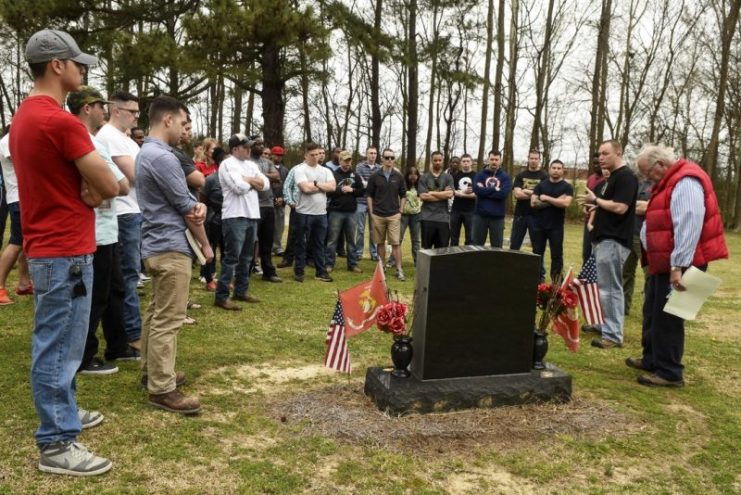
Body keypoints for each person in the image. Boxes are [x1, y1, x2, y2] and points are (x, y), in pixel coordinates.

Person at [11, 28, 120, 476]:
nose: (83, 70)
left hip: (50, 247)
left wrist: (91, 187)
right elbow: (112, 184)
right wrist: (96, 190)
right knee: (58, 347)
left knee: (63, 345)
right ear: (57, 65)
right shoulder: (59, 121)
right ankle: (56, 442)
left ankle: (66, 413)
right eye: (78, 63)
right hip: (64, 251)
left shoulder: (26, 115)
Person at [137, 96, 213, 413]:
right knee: (169, 319)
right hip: (170, 248)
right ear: (167, 120)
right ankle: (162, 388)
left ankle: (152, 373)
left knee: (156, 313)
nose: (185, 129)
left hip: (156, 245)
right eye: (183, 122)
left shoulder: (146, 153)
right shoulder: (163, 158)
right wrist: (206, 245)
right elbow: (188, 208)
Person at [628, 144, 728, 387]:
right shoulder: (670, 180)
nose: (646, 179)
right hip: (663, 261)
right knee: (653, 311)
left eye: (647, 173)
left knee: (671, 317)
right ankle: (652, 359)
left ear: (660, 165)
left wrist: (678, 265)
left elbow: (689, 223)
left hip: (683, 263)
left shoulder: (686, 181)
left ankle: (670, 372)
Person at [67, 86, 137, 374]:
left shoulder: (93, 141)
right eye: (99, 105)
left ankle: (117, 345)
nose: (104, 111)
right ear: (87, 108)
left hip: (107, 229)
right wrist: (108, 183)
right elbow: (120, 185)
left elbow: (117, 184)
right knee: (95, 297)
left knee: (115, 289)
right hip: (95, 232)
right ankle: (84, 356)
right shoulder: (89, 144)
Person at [577, 139, 638, 349]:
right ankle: (604, 325)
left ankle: (613, 335)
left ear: (619, 153)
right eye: (599, 154)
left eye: (605, 153)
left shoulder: (626, 178)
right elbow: (603, 204)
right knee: (603, 287)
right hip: (602, 239)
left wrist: (596, 202)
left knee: (611, 288)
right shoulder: (610, 179)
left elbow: (621, 207)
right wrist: (593, 207)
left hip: (614, 240)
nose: (601, 157)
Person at [95, 90, 143, 350]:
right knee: (127, 275)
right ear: (116, 110)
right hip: (123, 213)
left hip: (132, 210)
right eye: (132, 111)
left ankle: (129, 332)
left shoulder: (126, 139)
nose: (136, 117)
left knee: (129, 275)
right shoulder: (108, 137)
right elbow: (135, 177)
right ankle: (131, 334)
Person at [215, 134, 269, 309]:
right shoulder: (227, 164)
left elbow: (266, 185)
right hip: (234, 216)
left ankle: (241, 291)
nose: (249, 149)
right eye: (245, 147)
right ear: (235, 149)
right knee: (232, 257)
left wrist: (249, 180)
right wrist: (253, 182)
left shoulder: (251, 165)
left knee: (246, 258)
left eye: (249, 147)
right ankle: (222, 296)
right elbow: (238, 188)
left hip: (252, 215)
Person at [293, 142, 336, 282]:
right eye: (312, 155)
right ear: (305, 155)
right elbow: (305, 189)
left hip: (321, 214)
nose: (315, 157)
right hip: (303, 213)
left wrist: (316, 184)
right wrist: (322, 186)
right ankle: (299, 271)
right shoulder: (300, 169)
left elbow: (333, 187)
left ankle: (320, 271)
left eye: (317, 154)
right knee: (301, 243)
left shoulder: (326, 171)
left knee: (319, 244)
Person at [0, 127, 33, 305]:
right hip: (19, 198)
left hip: (25, 197)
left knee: (25, 242)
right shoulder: (8, 142)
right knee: (16, 242)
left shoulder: (13, 140)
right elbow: (26, 164)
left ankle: (24, 282)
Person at [365, 148, 407, 281]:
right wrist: (371, 212)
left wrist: (400, 211)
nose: (389, 160)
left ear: (394, 160)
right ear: (382, 159)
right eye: (387, 157)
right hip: (378, 214)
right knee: (380, 243)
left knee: (395, 243)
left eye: (392, 158)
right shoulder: (374, 176)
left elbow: (403, 195)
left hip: (394, 214)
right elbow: (369, 195)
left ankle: (399, 269)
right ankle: (381, 268)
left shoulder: (398, 176)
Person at [530, 160, 574, 282]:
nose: (556, 170)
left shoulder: (567, 187)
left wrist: (546, 198)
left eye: (559, 168)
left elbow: (566, 203)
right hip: (539, 225)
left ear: (563, 170)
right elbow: (533, 203)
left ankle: (556, 284)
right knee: (537, 254)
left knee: (557, 256)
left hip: (556, 227)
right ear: (549, 169)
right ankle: (537, 281)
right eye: (553, 167)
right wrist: (556, 201)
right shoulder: (541, 185)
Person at [325, 150, 364, 273]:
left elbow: (362, 191)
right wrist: (341, 190)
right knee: (332, 240)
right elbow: (328, 192)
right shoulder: (333, 175)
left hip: (351, 212)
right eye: (345, 160)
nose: (348, 163)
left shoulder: (355, 175)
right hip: (336, 211)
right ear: (340, 161)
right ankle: (329, 264)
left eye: (349, 160)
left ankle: (352, 264)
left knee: (351, 240)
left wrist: (352, 190)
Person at [250, 136, 281, 283]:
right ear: (251, 145)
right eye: (258, 144)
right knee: (251, 240)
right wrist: (266, 178)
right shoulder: (247, 162)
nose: (261, 147)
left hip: (268, 205)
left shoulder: (267, 162)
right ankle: (247, 269)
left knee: (267, 240)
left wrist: (261, 176)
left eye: (262, 144)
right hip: (253, 205)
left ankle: (268, 271)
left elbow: (277, 176)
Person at [622, 172, 652, 315]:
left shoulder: (658, 185)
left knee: (649, 274)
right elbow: (624, 205)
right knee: (626, 273)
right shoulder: (636, 182)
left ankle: (649, 309)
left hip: (646, 237)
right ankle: (622, 307)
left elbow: (649, 208)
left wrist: (631, 206)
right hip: (629, 233)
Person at [472, 150, 512, 247]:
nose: (494, 162)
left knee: (497, 248)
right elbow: (477, 191)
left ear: (500, 160)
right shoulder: (480, 175)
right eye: (492, 159)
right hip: (480, 215)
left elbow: (503, 194)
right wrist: (495, 189)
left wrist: (484, 191)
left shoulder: (505, 177)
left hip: (497, 217)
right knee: (476, 247)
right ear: (488, 160)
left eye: (496, 159)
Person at [510, 149, 547, 250]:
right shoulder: (520, 175)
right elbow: (517, 194)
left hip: (537, 216)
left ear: (539, 160)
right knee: (514, 245)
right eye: (531, 158)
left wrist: (526, 191)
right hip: (520, 215)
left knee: (538, 247)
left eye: (536, 158)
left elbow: (544, 196)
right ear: (528, 159)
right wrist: (536, 194)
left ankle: (539, 266)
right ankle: (512, 265)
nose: (533, 160)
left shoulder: (544, 176)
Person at [199, 148, 226, 291]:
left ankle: (225, 280)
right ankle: (208, 279)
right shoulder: (210, 180)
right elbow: (202, 200)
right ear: (218, 163)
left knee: (227, 251)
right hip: (213, 219)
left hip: (229, 219)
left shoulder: (234, 178)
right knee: (211, 251)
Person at [419, 151, 454, 248]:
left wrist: (432, 193)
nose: (438, 162)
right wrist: (443, 194)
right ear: (431, 161)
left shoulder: (448, 177)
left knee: (442, 250)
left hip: (443, 218)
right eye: (435, 160)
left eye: (440, 160)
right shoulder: (424, 177)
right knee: (426, 249)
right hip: (427, 217)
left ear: (443, 161)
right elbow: (423, 196)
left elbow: (450, 194)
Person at [355, 146, 380, 261]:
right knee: (360, 228)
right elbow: (360, 184)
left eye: (374, 153)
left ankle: (374, 253)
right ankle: (358, 252)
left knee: (373, 229)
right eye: (370, 153)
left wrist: (368, 184)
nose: (373, 155)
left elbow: (379, 185)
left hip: (374, 203)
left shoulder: (380, 168)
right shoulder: (359, 167)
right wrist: (371, 184)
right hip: (360, 201)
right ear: (366, 154)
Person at [450, 153, 477, 246]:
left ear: (471, 163)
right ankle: (453, 258)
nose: (466, 163)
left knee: (470, 238)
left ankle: (468, 259)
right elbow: (451, 191)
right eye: (464, 161)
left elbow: (478, 194)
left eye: (468, 161)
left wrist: (460, 194)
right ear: (460, 163)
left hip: (471, 210)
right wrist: (464, 193)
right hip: (456, 209)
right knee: (453, 237)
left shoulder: (477, 176)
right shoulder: (455, 176)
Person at [582, 152, 604, 262]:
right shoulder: (591, 178)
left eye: (598, 163)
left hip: (601, 221)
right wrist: (584, 207)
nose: (596, 165)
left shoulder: (607, 179)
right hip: (588, 220)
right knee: (586, 251)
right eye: (594, 163)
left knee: (598, 253)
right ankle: (584, 278)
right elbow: (586, 197)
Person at [400, 166, 422, 265]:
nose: (413, 176)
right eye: (411, 174)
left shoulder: (421, 186)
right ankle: (392, 260)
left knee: (416, 240)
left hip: (416, 216)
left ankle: (417, 261)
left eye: (415, 174)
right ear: (407, 175)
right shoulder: (402, 185)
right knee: (398, 239)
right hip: (403, 215)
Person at [271, 146, 289, 256]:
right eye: (277, 154)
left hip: (281, 202)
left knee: (280, 226)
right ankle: (268, 246)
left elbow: (286, 186)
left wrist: (282, 198)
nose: (279, 157)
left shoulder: (285, 169)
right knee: (269, 226)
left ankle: (277, 247)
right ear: (272, 155)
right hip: (269, 201)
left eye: (281, 155)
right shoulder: (268, 167)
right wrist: (274, 198)